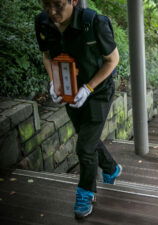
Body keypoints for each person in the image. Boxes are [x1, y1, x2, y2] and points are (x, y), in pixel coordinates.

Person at [35, 0, 122, 219]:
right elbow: (47, 55)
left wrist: (89, 88)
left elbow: (112, 60)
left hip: (98, 90)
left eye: (58, 4)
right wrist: (54, 82)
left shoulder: (94, 23)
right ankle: (111, 168)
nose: (52, 11)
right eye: (46, 4)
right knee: (87, 138)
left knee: (84, 148)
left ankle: (86, 192)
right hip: (69, 88)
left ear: (73, 0)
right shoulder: (43, 22)